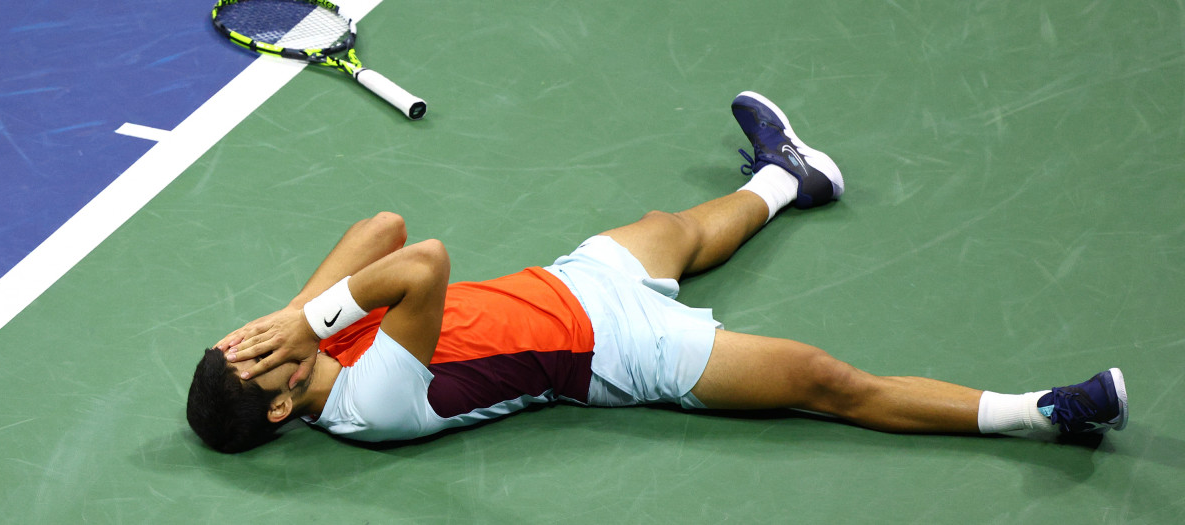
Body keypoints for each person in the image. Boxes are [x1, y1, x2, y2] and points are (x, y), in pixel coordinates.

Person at [186, 91, 1129, 453]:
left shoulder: (306, 335)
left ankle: (787, 177)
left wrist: (290, 311)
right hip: (620, 354)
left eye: (238, 337)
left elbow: (380, 220)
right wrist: (311, 316)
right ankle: (1041, 410)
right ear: (280, 406)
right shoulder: (364, 406)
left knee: (664, 226)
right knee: (824, 380)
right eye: (251, 355)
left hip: (567, 284)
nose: (256, 339)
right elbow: (420, 259)